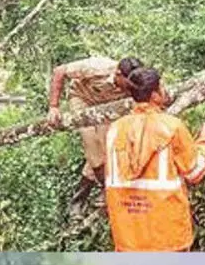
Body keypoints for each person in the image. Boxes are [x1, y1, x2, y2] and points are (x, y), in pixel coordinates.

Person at [103, 67, 205, 251]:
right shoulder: (172, 126)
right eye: (162, 87)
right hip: (168, 237)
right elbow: (195, 173)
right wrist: (204, 140)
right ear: (155, 95)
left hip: (127, 237)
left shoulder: (115, 129)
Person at [49, 55, 141, 209]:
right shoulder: (98, 67)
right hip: (82, 99)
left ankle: (79, 198)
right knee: (91, 142)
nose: (131, 87)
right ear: (118, 73)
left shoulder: (136, 80)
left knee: (107, 150)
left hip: (108, 107)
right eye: (128, 83)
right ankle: (107, 189)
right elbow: (60, 71)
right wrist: (53, 106)